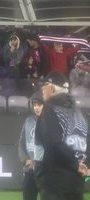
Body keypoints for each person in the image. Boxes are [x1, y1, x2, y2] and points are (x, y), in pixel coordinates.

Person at [35, 71, 89, 200]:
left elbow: (53, 143)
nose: (42, 90)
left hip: (56, 182)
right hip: (77, 181)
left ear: (52, 88)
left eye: (45, 87)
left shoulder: (50, 108)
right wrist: (83, 165)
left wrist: (74, 164)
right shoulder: (79, 113)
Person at [20, 93, 45, 200]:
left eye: (39, 105)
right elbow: (21, 143)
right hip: (29, 170)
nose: (36, 108)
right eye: (35, 105)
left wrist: (40, 161)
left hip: (45, 170)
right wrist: (25, 159)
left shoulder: (51, 122)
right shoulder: (28, 121)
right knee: (28, 197)